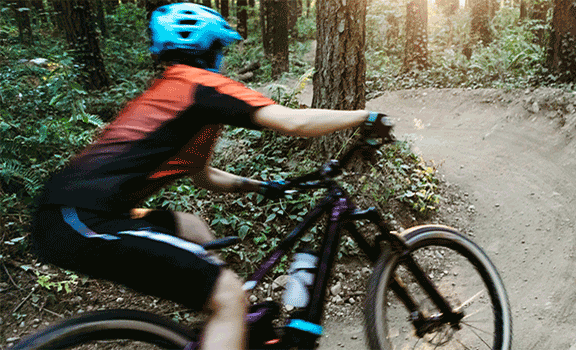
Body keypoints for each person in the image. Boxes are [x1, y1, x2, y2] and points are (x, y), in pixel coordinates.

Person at [29, 3, 384, 349]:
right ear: (211, 49)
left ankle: (226, 325)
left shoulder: (174, 93)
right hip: (81, 217)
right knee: (229, 297)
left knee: (193, 227)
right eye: (220, 49)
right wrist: (364, 117)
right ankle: (228, 309)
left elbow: (201, 174)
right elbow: (294, 122)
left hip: (75, 213)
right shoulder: (201, 84)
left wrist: (264, 187)